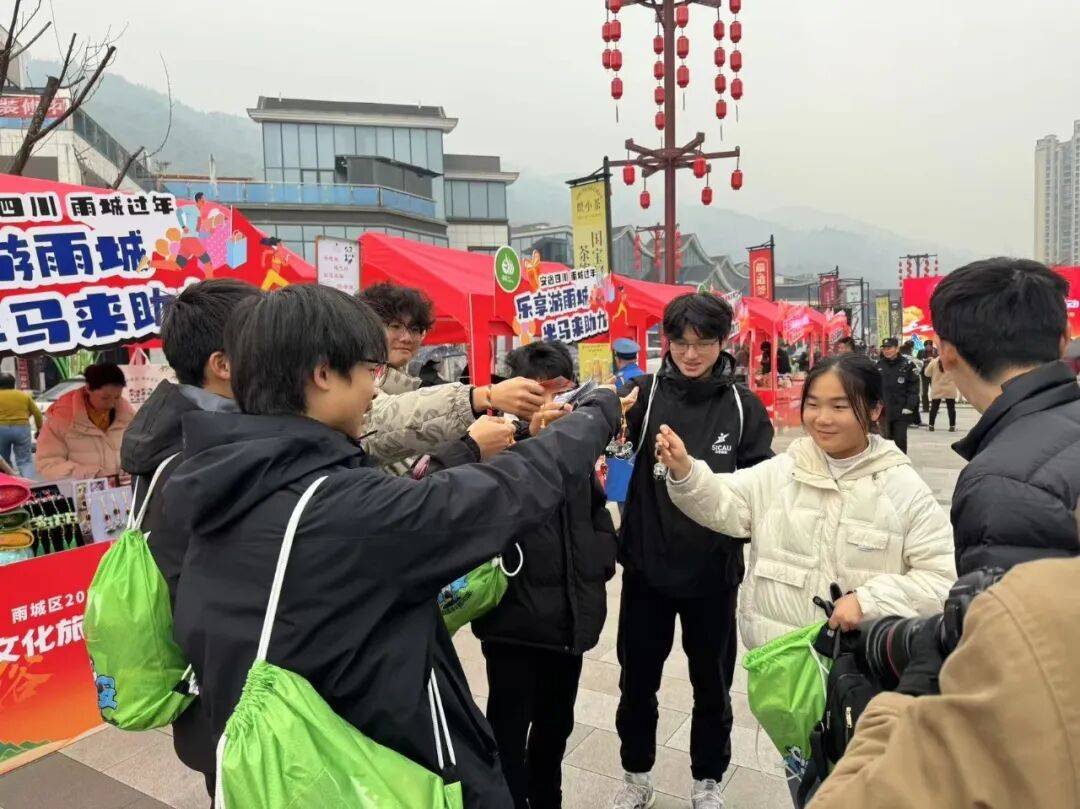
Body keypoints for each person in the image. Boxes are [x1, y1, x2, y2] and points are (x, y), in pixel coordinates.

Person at [167, 284, 623, 808]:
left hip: (275, 769)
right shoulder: (338, 505)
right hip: (368, 772)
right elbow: (506, 492)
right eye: (370, 372)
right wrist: (595, 415)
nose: (372, 391)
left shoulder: (217, 474)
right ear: (322, 374)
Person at [654, 352, 955, 802]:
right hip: (790, 677)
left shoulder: (901, 487)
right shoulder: (784, 470)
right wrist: (686, 471)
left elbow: (943, 580)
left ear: (873, 410)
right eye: (813, 404)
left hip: (865, 682)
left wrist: (871, 601)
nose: (822, 418)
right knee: (807, 782)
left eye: (839, 406)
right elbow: (728, 502)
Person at [422, 341, 620, 809]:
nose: (553, 406)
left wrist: (597, 562)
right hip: (513, 625)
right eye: (539, 395)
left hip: (570, 624)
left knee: (555, 730)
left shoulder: (575, 455)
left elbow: (597, 517)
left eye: (562, 393)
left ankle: (548, 800)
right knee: (508, 730)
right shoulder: (497, 449)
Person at [613, 293, 775, 809]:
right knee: (637, 684)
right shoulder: (640, 394)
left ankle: (707, 781)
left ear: (723, 343)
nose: (690, 353)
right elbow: (604, 450)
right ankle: (636, 777)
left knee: (713, 687)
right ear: (666, 342)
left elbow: (761, 486)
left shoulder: (742, 406)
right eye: (680, 342)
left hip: (713, 576)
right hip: (646, 573)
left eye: (703, 342)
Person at [120, 279, 262, 798]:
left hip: (216, 699)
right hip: (237, 702)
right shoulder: (205, 457)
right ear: (223, 365)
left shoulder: (174, 432)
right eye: (270, 342)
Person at [808, 556, 1080, 809]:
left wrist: (909, 698)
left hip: (861, 717)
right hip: (807, 696)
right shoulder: (1051, 599)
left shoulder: (1016, 611)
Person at [929, 258, 1079, 576]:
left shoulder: (1001, 482)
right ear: (1065, 337)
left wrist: (883, 627)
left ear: (946, 351)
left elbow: (1003, 621)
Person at [356, 281, 545, 474]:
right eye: (395, 326)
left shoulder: (412, 383)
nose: (406, 337)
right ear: (367, 326)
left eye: (415, 329)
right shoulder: (355, 379)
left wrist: (522, 431)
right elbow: (382, 420)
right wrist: (481, 397)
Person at [36, 363, 133, 481]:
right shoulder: (60, 419)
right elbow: (48, 465)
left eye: (117, 397)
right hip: (81, 495)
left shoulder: (128, 416)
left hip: (123, 494)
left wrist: (131, 468)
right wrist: (91, 475)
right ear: (88, 388)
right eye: (105, 398)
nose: (111, 404)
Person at [874, 338, 918, 453]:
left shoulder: (908, 365)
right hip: (883, 411)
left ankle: (901, 465)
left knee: (900, 440)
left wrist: (909, 406)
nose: (886, 351)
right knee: (884, 441)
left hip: (901, 410)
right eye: (884, 348)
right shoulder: (878, 365)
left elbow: (913, 388)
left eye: (889, 348)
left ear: (897, 348)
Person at [0, 372, 42, 477]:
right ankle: (30, 487)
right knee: (25, 461)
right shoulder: (23, 395)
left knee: (3, 461)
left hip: (1, 429)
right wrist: (39, 429)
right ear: (13, 384)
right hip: (22, 428)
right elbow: (37, 413)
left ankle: (9, 485)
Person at [923, 355, 957, 432]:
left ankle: (931, 426)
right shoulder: (953, 362)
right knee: (951, 408)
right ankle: (952, 426)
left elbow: (926, 374)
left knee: (934, 408)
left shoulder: (934, 362)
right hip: (950, 388)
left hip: (937, 387)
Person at [899, 341, 923, 427]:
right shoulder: (908, 358)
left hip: (910, 381)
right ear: (911, 348)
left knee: (914, 401)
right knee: (911, 402)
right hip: (909, 382)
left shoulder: (903, 357)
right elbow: (920, 364)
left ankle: (916, 420)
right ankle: (910, 421)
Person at [916, 339, 938, 415]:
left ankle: (935, 408)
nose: (928, 348)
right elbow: (917, 361)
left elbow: (941, 360)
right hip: (924, 374)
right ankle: (925, 408)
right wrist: (925, 360)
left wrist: (933, 360)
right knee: (924, 392)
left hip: (934, 374)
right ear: (924, 346)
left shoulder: (936, 351)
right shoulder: (921, 352)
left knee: (935, 391)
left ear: (932, 346)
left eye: (930, 346)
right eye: (927, 346)